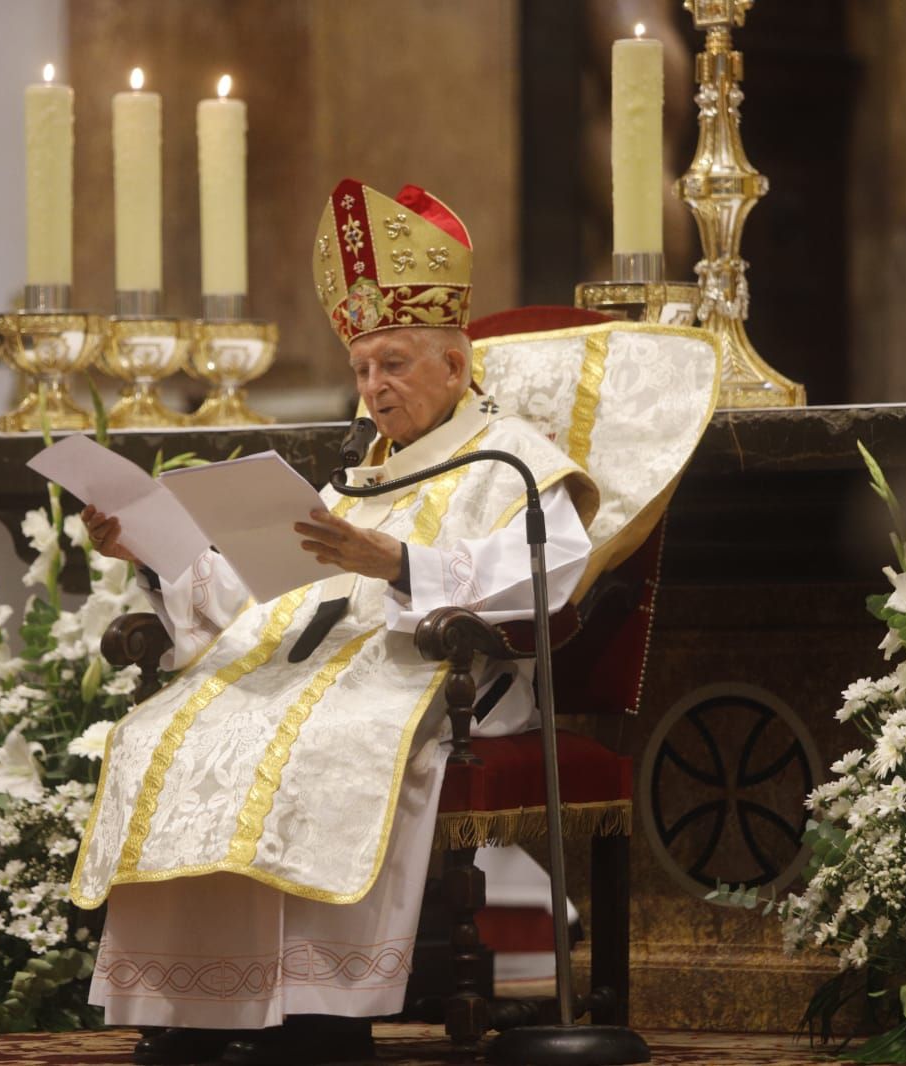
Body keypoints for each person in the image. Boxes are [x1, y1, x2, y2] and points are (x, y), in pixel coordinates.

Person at [68, 179, 599, 1065]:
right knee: (172, 730)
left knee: (320, 746)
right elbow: (262, 595)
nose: (374, 387)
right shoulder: (360, 478)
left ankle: (320, 1015)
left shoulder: (512, 461)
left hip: (442, 678)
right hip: (322, 666)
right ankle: (196, 1008)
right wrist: (154, 552)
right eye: (361, 369)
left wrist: (399, 564)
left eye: (392, 363)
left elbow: (555, 572)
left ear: (456, 366)